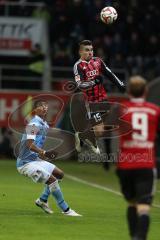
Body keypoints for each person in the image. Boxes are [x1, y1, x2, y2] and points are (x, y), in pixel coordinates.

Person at [16, 100, 81, 216]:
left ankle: (42, 200)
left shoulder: (44, 125)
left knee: (59, 174)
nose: (44, 108)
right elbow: (29, 144)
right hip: (25, 163)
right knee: (52, 180)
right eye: (41, 106)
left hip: (35, 160)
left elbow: (37, 143)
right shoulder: (33, 124)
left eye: (46, 106)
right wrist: (43, 152)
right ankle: (66, 210)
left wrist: (41, 154)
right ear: (35, 109)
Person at [116, 76, 160, 240]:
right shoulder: (155, 110)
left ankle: (134, 236)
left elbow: (101, 131)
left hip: (125, 165)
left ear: (128, 92)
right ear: (146, 91)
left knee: (132, 203)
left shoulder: (120, 110)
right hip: (145, 164)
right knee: (144, 206)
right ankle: (139, 237)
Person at [73, 39, 125, 154]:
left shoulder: (98, 61)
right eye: (87, 50)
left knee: (106, 128)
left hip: (104, 99)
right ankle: (81, 136)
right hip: (91, 102)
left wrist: (120, 84)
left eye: (91, 50)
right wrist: (94, 82)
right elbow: (80, 85)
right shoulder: (78, 66)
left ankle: (83, 136)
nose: (90, 52)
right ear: (80, 52)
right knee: (100, 131)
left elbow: (109, 73)